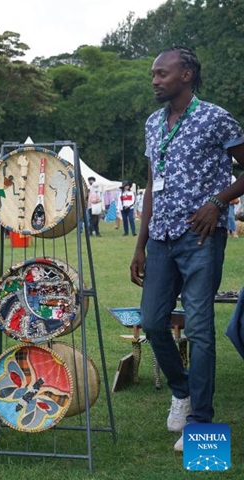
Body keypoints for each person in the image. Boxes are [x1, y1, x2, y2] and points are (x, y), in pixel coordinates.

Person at [130, 45, 244, 452]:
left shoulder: (215, 118)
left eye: (162, 73)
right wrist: (140, 245)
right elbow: (150, 186)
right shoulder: (153, 124)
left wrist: (218, 202)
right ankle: (182, 391)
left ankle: (200, 420)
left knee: (198, 327)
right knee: (153, 321)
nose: (156, 80)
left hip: (200, 238)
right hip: (159, 238)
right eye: (153, 75)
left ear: (187, 76)